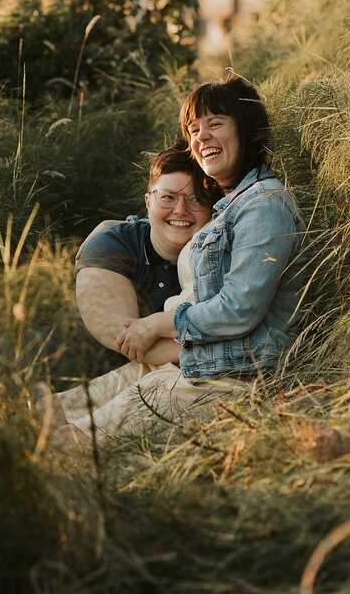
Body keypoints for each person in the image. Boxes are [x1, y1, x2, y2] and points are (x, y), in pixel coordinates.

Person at [48, 74, 308, 445]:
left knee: (71, 442)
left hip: (226, 380)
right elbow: (166, 214)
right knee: (45, 415)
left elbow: (239, 309)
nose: (201, 137)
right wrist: (110, 228)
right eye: (194, 128)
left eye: (215, 124)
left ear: (246, 131)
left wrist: (158, 322)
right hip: (195, 363)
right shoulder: (230, 206)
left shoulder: (265, 205)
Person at [72, 141, 216, 370]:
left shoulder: (215, 257)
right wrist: (231, 346)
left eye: (196, 199)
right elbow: (126, 339)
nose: (180, 210)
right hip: (64, 373)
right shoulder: (110, 246)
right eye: (168, 197)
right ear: (148, 202)